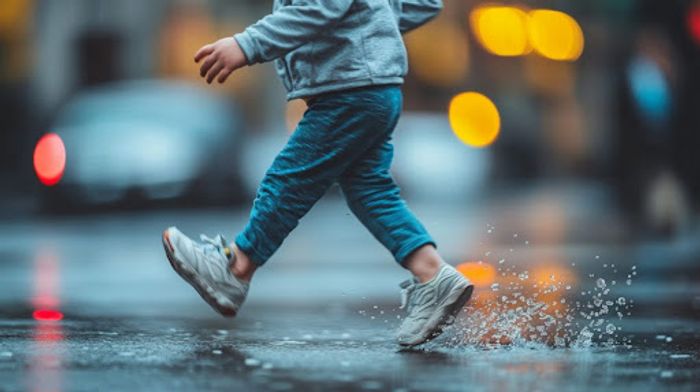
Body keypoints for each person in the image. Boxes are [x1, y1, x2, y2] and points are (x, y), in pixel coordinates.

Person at [162, 0, 473, 347]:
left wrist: (246, 45)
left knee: (290, 178)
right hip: (374, 87)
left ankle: (236, 268)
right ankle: (433, 275)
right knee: (370, 191)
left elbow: (319, 8)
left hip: (348, 90)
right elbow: (422, 4)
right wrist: (370, 27)